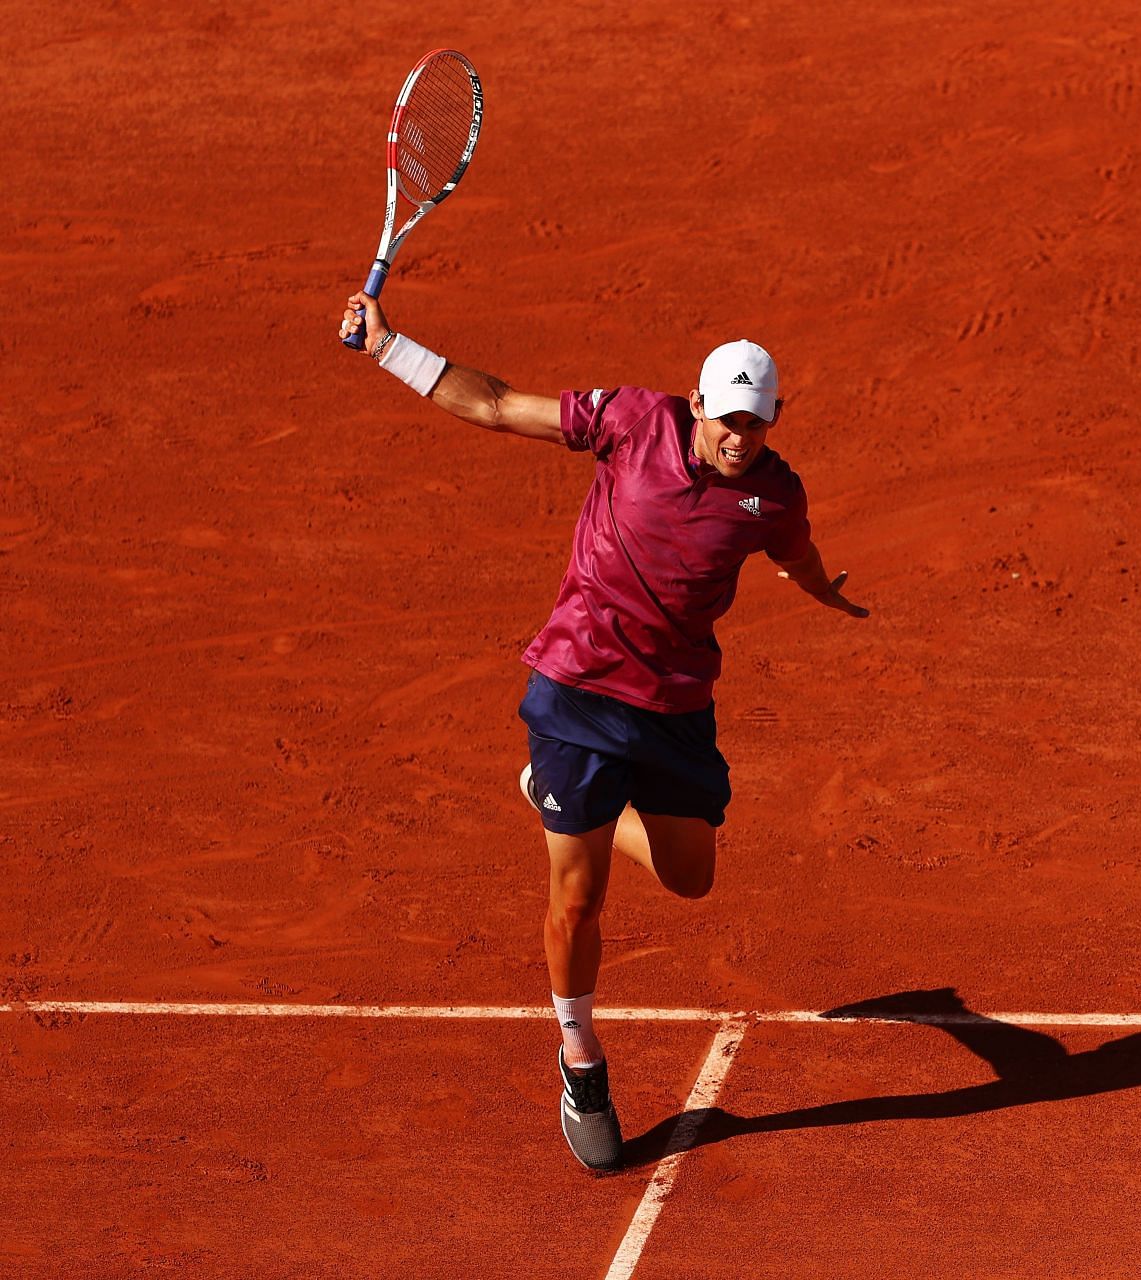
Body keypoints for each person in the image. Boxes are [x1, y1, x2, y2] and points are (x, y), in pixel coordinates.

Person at [338, 291, 868, 1171]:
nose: (740, 436)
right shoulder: (631, 423)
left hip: (676, 702)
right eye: (728, 418)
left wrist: (825, 591)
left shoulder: (773, 494)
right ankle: (580, 1058)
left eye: (757, 423)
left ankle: (558, 804)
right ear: (696, 406)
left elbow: (796, 554)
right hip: (579, 687)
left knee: (692, 877)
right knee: (576, 899)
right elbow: (503, 405)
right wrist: (391, 348)